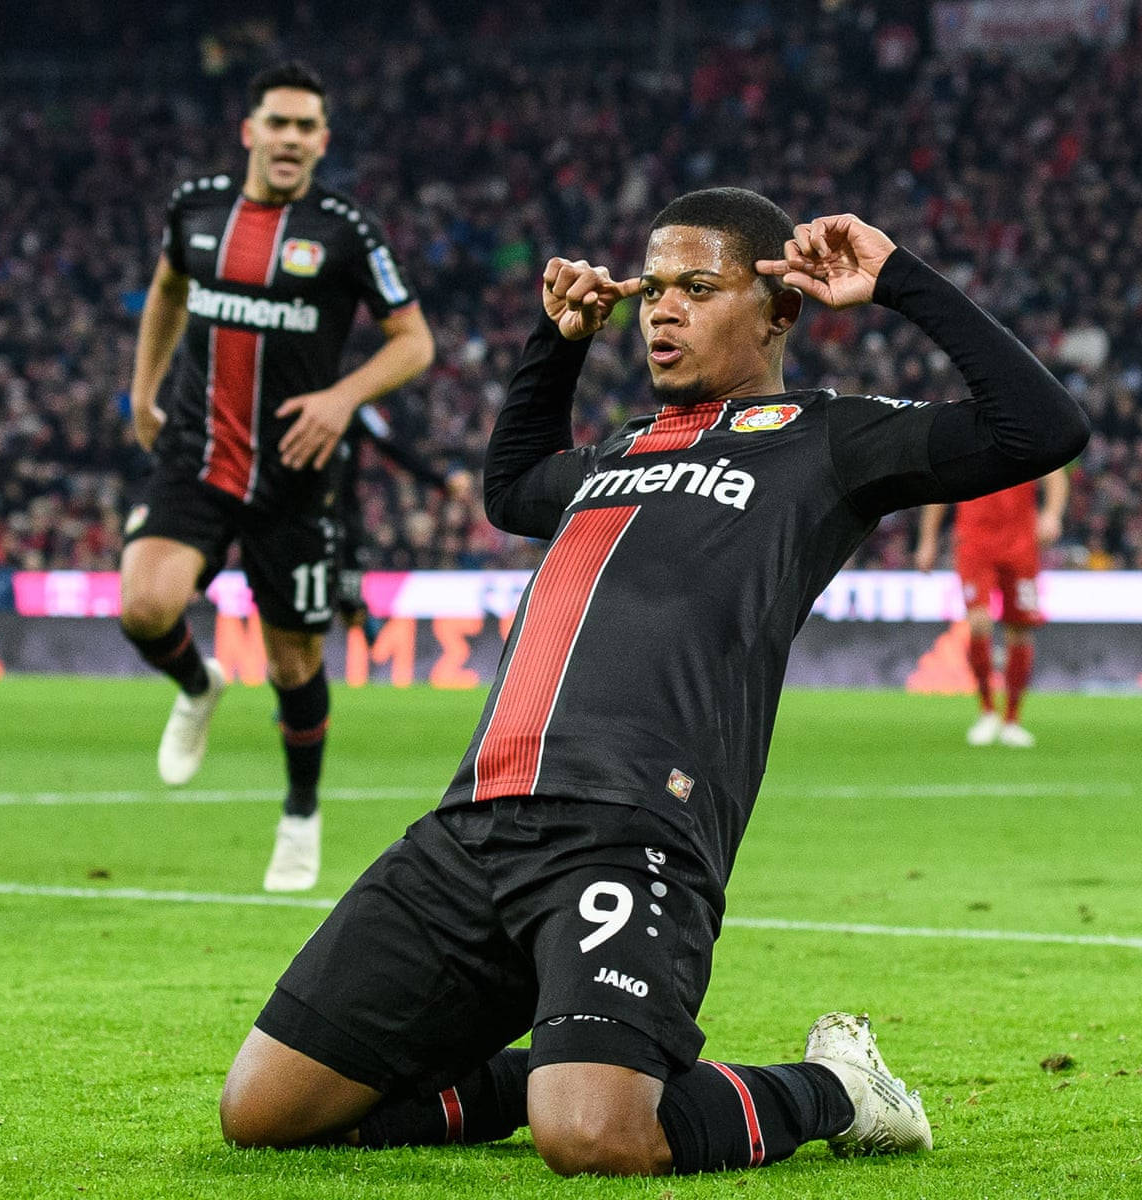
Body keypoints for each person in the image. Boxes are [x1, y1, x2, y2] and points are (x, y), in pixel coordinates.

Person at [218, 189, 1088, 1176]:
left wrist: (900, 283)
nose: (662, 309)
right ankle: (556, 1066)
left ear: (779, 309)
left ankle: (838, 1088)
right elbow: (511, 488)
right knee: (265, 1111)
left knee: (595, 1138)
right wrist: (560, 343)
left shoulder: (829, 441)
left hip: (629, 830)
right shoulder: (615, 450)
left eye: (699, 288)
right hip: (473, 824)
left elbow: (1041, 428)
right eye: (653, 289)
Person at [118, 61, 434, 892]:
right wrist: (142, 388)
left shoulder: (346, 230)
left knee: (295, 662)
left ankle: (300, 813)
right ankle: (199, 683)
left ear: (323, 141)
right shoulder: (195, 209)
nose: (291, 139)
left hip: (294, 469)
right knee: (143, 604)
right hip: (198, 448)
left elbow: (414, 341)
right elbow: (165, 292)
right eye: (279, 123)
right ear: (250, 129)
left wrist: (340, 397)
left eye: (307, 128)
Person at [914, 471, 1069, 747]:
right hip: (975, 543)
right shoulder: (965, 438)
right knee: (978, 623)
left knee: (1020, 630)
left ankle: (1011, 719)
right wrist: (928, 539)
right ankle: (987, 711)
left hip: (1021, 544)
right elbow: (941, 487)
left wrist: (1052, 514)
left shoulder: (1027, 432)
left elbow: (1055, 475)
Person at [333, 405, 474, 641]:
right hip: (308, 514)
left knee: (350, 604)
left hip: (344, 517)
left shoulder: (356, 407)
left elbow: (395, 448)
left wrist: (440, 481)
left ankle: (359, 614)